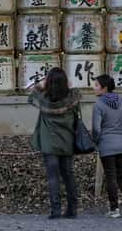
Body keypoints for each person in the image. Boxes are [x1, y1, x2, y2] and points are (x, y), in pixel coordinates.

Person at [28, 67, 82, 219]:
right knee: (69, 175)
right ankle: (72, 209)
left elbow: (31, 96)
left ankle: (56, 210)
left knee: (53, 177)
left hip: (49, 143)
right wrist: (70, 86)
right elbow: (77, 95)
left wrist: (41, 85)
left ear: (49, 83)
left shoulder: (43, 100)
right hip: (67, 142)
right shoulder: (72, 98)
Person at [92, 74, 122, 218]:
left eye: (96, 85)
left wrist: (96, 142)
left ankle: (114, 209)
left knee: (111, 177)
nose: (94, 87)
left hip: (107, 145)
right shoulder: (121, 101)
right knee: (121, 176)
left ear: (104, 88)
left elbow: (97, 129)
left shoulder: (98, 105)